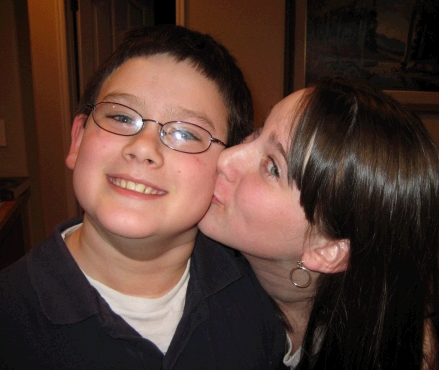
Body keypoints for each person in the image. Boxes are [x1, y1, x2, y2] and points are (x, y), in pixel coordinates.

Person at [0, 25, 285, 369]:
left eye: (185, 133)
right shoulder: (10, 317)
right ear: (78, 140)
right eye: (121, 117)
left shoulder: (257, 300)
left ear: (224, 170)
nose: (143, 148)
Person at [199, 76, 439, 369]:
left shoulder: (423, 341)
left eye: (273, 167)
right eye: (257, 132)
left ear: (328, 250)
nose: (226, 158)